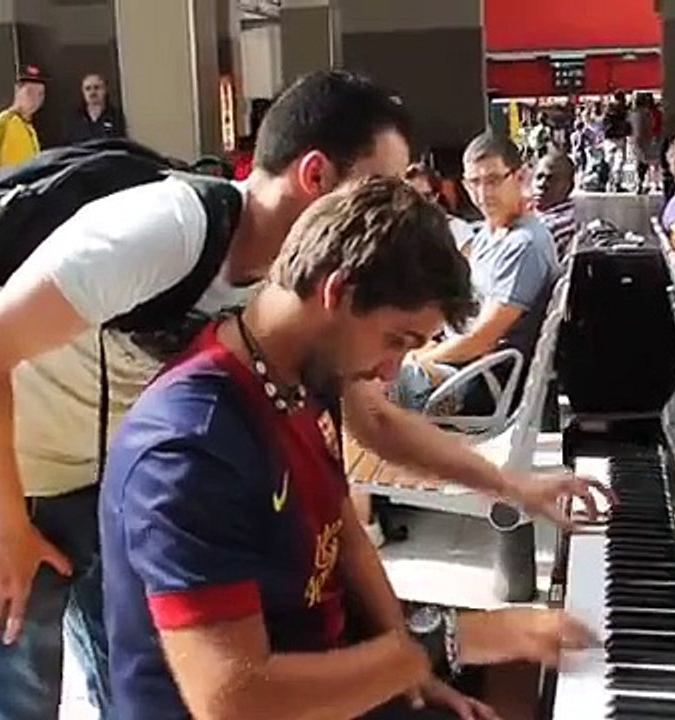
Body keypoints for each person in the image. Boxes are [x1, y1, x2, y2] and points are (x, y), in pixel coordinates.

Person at [0, 70, 607, 720]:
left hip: (107, 469)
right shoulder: (167, 231)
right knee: (6, 695)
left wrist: (511, 487)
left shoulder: (295, 305)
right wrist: (2, 524)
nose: (397, 206)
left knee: (127, 674)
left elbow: (371, 423)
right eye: (382, 184)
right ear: (315, 175)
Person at [101, 177, 595, 720]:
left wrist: (415, 668)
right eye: (397, 341)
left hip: (326, 668)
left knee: (538, 671)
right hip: (269, 700)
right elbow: (235, 698)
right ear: (336, 292)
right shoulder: (190, 449)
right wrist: (434, 645)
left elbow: (345, 533)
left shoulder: (301, 368)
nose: (391, 371)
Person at [389, 132, 560, 414]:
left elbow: (480, 340)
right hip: (465, 368)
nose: (483, 193)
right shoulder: (489, 235)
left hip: (484, 384)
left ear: (519, 177)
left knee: (373, 387)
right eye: (474, 182)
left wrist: (419, 360)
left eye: (493, 180)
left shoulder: (524, 245)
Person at [0, 65, 47, 172]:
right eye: (30, 92)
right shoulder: (1, 122)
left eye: (40, 94)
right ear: (18, 90)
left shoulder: (30, 129)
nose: (35, 100)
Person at [404, 162, 474, 249]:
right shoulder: (397, 232)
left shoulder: (456, 228)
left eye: (426, 196)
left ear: (436, 196)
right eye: (413, 196)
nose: (420, 202)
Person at [530, 150, 578, 263]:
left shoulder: (559, 225)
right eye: (539, 177)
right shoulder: (535, 214)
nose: (542, 184)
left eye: (552, 179)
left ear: (569, 186)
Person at [64, 72, 127, 145]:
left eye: (97, 88)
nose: (92, 92)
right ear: (83, 92)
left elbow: (121, 144)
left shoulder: (116, 116)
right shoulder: (73, 118)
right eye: (88, 89)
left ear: (105, 90)